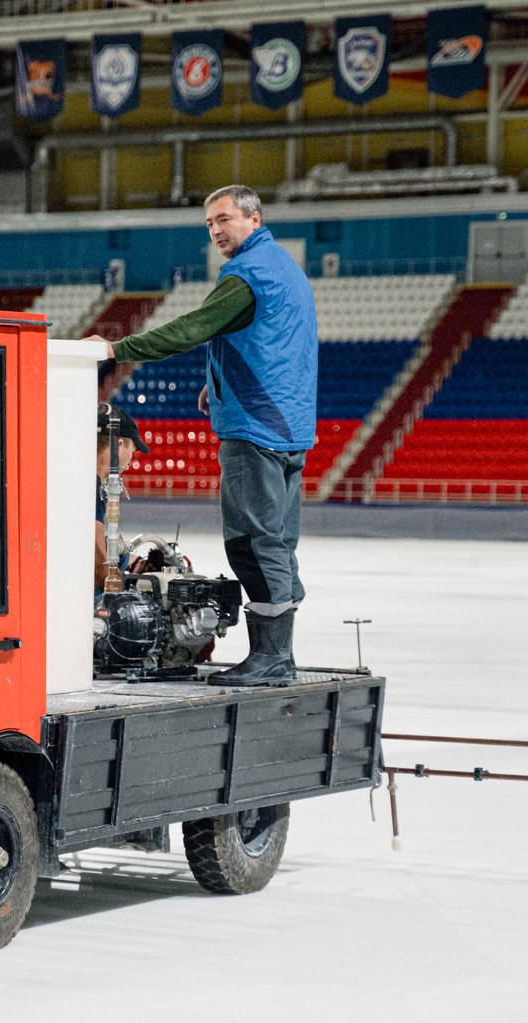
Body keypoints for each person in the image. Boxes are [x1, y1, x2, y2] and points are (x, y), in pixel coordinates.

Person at [86, 185, 317, 687]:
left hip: (255, 430)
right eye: (209, 223)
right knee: (278, 540)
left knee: (253, 543)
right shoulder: (286, 270)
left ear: (254, 219)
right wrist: (218, 388)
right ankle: (280, 654)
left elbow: (191, 329)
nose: (215, 231)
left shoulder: (247, 274)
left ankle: (272, 657)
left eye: (225, 220)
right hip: (288, 426)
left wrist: (115, 349)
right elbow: (273, 345)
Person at [94, 404, 149, 591]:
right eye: (132, 451)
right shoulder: (89, 488)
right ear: (118, 445)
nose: (131, 460)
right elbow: (98, 567)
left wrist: (132, 562)